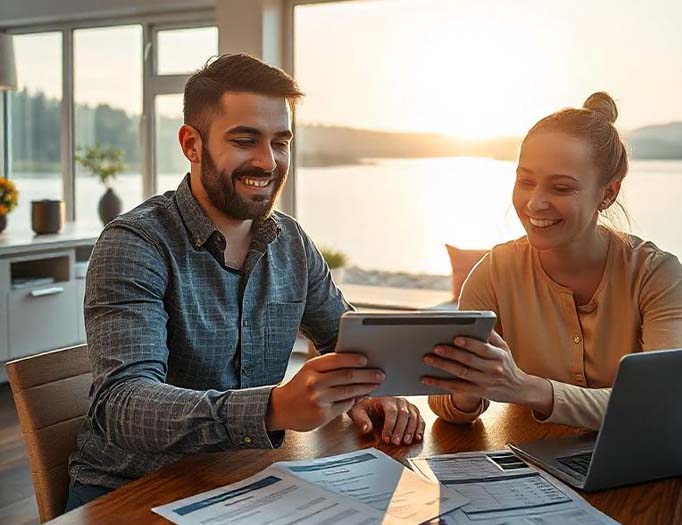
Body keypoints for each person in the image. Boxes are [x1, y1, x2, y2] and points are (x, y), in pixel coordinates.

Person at [65, 54, 424, 511]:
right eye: (244, 140)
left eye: (280, 142)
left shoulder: (291, 241)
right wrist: (273, 408)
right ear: (191, 144)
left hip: (243, 482)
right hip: (131, 493)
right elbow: (123, 405)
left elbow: (345, 337)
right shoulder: (135, 245)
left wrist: (374, 391)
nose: (267, 161)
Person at [425, 93, 682, 430]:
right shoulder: (493, 273)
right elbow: (442, 401)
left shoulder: (655, 274)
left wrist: (526, 388)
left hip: (638, 466)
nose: (535, 203)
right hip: (532, 461)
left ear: (608, 193)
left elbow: (668, 401)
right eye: (525, 181)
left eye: (561, 188)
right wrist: (467, 387)